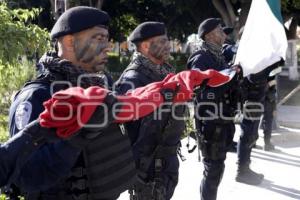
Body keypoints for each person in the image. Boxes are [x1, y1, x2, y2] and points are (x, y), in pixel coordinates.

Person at [7, 6, 230, 199]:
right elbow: (26, 177)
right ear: (69, 42)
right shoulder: (37, 95)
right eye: (98, 38)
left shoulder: (99, 87)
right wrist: (75, 138)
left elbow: (135, 106)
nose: (107, 46)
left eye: (107, 39)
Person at [115, 21, 185, 200]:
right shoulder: (133, 78)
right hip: (148, 168)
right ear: (145, 46)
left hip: (165, 160)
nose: (168, 45)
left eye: (167, 40)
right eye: (162, 41)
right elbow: (125, 132)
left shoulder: (162, 73)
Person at [186, 18, 242, 200]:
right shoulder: (201, 56)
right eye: (220, 31)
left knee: (218, 167)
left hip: (222, 120)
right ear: (209, 35)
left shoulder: (218, 55)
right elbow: (198, 85)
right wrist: (226, 78)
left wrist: (233, 74)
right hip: (210, 122)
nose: (224, 34)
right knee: (213, 169)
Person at [261, 75, 277, 151]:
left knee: (267, 122)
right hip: (262, 100)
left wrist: (274, 108)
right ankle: (266, 144)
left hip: (267, 101)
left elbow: (273, 92)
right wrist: (269, 84)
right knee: (266, 122)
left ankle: (267, 143)